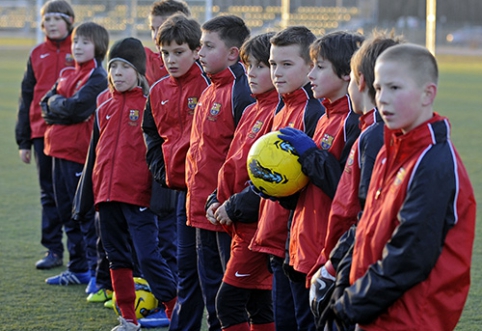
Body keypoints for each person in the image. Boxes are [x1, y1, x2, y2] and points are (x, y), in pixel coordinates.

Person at [317, 43, 476, 331]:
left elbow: (409, 256)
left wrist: (347, 307)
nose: (383, 99)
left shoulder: (434, 163)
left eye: (395, 88)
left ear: (428, 94)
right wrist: (341, 284)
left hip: (409, 320)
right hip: (373, 315)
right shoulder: (389, 149)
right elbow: (367, 225)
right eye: (379, 89)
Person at [72, 37, 177, 331]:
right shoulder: (102, 103)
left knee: (147, 255)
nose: (117, 73)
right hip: (106, 196)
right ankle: (128, 319)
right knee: (115, 258)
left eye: (125, 67)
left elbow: (160, 151)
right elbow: (94, 152)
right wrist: (86, 195)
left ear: (140, 72)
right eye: (113, 67)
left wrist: (161, 193)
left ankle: (174, 310)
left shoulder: (150, 104)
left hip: (139, 196)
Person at [307, 30, 404, 328]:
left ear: (359, 80)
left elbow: (365, 217)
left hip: (355, 266)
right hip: (347, 260)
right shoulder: (369, 131)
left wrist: (333, 265)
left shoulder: (375, 136)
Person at [248, 26, 324, 331]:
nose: (276, 72)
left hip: (298, 242)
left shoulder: (313, 111)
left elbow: (315, 182)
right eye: (272, 64)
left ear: (310, 66)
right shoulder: (281, 108)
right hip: (276, 237)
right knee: (282, 320)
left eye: (287, 64)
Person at [205, 32, 281, 331]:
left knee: (228, 302)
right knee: (258, 305)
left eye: (262, 66)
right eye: (249, 65)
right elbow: (232, 164)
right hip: (234, 220)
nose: (252, 72)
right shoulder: (252, 109)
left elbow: (270, 178)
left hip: (255, 225)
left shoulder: (278, 113)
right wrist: (215, 198)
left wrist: (233, 206)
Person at [277, 30, 364, 286]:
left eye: (319, 67)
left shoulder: (353, 122)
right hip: (300, 246)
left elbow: (343, 189)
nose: (310, 74)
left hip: (326, 253)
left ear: (347, 73)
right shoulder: (325, 116)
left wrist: (310, 154)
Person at [185, 15, 254, 331]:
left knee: (232, 300)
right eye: (200, 45)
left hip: (227, 214)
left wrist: (227, 203)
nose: (199, 53)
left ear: (233, 53)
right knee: (211, 292)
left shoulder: (242, 94)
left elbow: (244, 160)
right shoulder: (210, 88)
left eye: (208, 46)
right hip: (202, 209)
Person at [142, 14, 210, 331]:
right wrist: (161, 170)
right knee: (186, 267)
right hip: (181, 192)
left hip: (212, 192)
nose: (171, 59)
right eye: (165, 52)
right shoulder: (157, 90)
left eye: (179, 51)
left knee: (213, 270)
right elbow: (151, 133)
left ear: (196, 51)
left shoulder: (211, 84)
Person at [39, 21, 109, 289]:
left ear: (98, 47)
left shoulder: (98, 78)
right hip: (55, 151)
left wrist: (60, 106)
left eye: (85, 42)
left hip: (79, 155)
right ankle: (77, 268)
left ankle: (94, 271)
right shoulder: (67, 72)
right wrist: (60, 106)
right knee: (66, 213)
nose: (78, 46)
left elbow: (77, 110)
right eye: (76, 41)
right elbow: (45, 105)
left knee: (84, 214)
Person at [15, 0, 75, 270]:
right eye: (46, 19)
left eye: (56, 18)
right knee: (48, 194)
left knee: (74, 194)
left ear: (69, 21)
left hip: (74, 136)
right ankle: (53, 250)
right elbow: (27, 96)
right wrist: (24, 140)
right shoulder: (37, 52)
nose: (50, 24)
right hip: (42, 134)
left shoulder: (82, 48)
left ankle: (81, 253)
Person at [145, 0, 191, 85]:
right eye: (153, 29)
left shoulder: (203, 66)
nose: (155, 36)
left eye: (161, 29)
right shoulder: (147, 64)